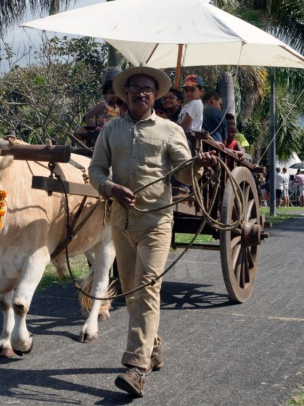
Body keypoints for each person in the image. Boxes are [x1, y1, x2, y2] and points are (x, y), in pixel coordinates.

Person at [89, 66, 217, 398]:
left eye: (147, 89)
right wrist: (110, 187)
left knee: (147, 289)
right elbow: (96, 169)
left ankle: (136, 368)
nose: (141, 94)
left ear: (155, 95)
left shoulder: (171, 131)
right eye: (135, 89)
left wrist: (199, 164)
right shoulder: (111, 131)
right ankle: (153, 347)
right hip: (121, 222)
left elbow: (185, 176)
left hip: (157, 223)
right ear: (125, 94)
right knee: (131, 293)